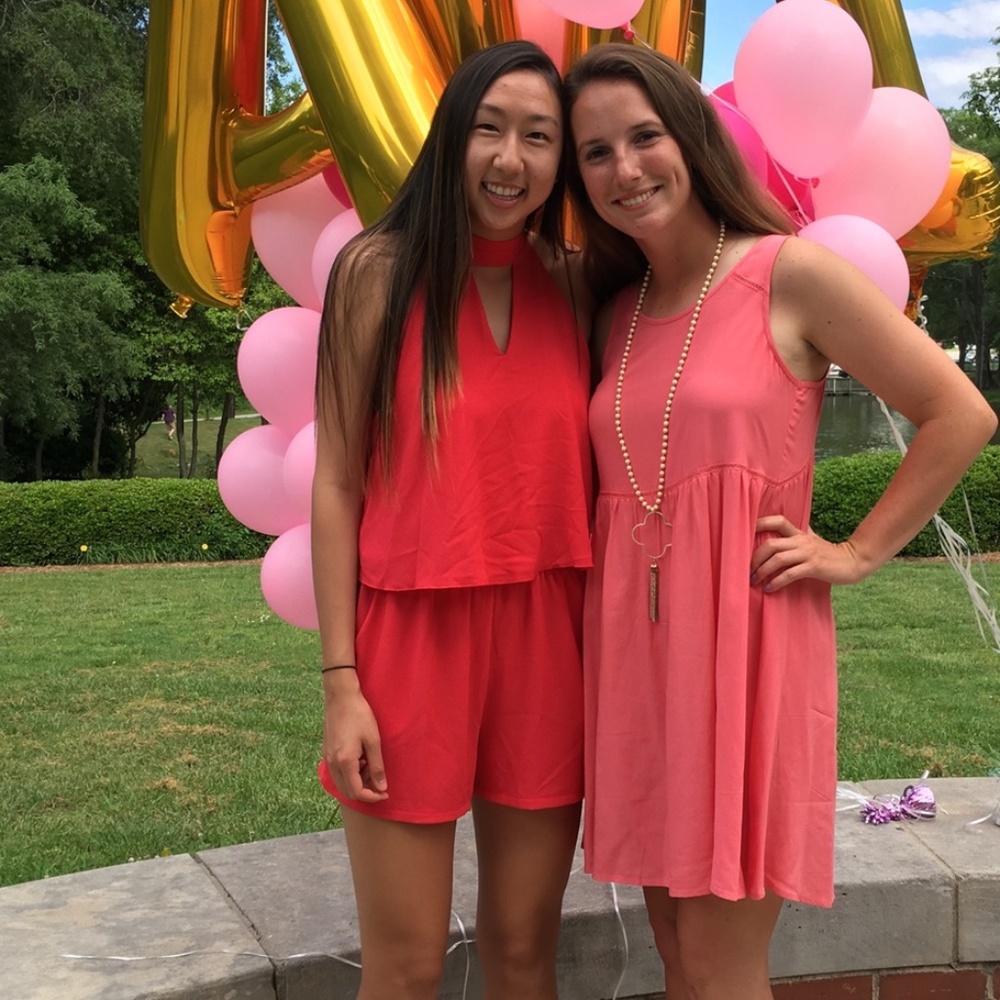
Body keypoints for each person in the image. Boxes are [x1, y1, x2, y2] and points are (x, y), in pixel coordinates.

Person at [563, 43, 996, 1000]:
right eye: (596, 152)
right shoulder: (616, 309)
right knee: (677, 946)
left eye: (644, 136)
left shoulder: (788, 273)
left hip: (745, 652)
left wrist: (858, 550)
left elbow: (959, 412)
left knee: (721, 963)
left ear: (691, 139)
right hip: (636, 659)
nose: (625, 168)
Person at [311, 41, 592, 1000]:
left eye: (539, 136)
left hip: (548, 636)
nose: (511, 159)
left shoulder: (576, 281)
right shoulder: (375, 273)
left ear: (560, 158)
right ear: (451, 137)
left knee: (524, 952)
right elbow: (336, 484)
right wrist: (341, 683)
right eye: (489, 128)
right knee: (404, 966)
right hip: (410, 637)